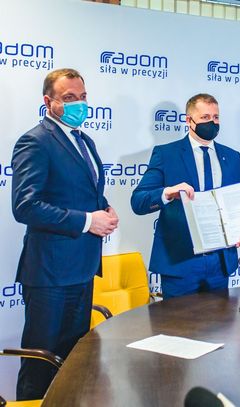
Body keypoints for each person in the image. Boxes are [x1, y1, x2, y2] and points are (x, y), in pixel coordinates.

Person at [11, 68, 118, 400]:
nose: (79, 105)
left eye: (82, 97)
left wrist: (105, 209)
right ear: (49, 102)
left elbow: (82, 193)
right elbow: (26, 206)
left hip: (83, 270)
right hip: (50, 275)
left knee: (71, 365)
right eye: (69, 98)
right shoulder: (35, 141)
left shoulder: (84, 140)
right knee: (40, 366)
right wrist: (87, 221)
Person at [131, 93, 240, 298]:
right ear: (189, 120)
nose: (212, 123)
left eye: (216, 117)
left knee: (220, 319)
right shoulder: (166, 154)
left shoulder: (232, 157)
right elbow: (138, 201)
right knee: (177, 320)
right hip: (180, 262)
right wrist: (167, 193)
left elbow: (237, 204)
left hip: (220, 263)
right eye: (205, 117)